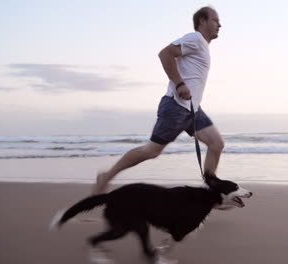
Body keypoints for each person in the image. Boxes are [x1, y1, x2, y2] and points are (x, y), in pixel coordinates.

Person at [92, 6, 223, 194]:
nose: (220, 24)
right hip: (177, 106)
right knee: (151, 151)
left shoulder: (202, 45)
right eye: (215, 20)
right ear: (202, 21)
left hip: (192, 109)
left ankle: (211, 192)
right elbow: (165, 53)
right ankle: (107, 175)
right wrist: (179, 84)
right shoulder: (195, 39)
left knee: (216, 144)